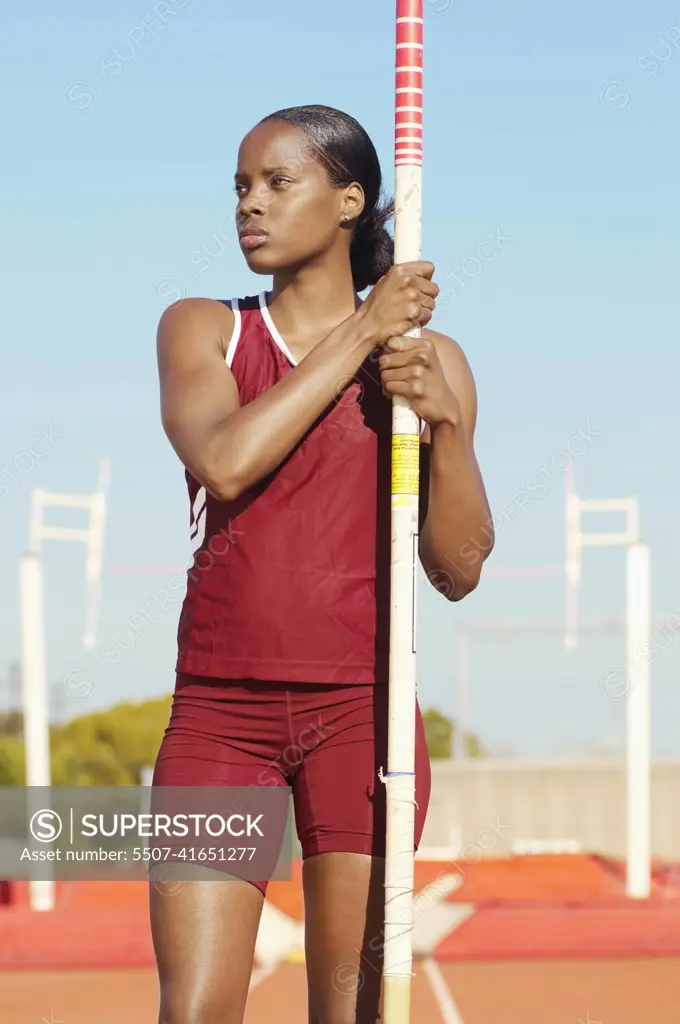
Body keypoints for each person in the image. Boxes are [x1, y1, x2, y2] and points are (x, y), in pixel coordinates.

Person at [152, 104, 493, 1024]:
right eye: (239, 188)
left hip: (363, 717)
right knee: (195, 1013)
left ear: (350, 201)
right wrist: (360, 332)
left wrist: (446, 426)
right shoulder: (203, 329)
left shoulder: (428, 360)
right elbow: (223, 458)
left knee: (352, 1012)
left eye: (276, 182)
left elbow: (458, 568)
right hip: (219, 717)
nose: (248, 206)